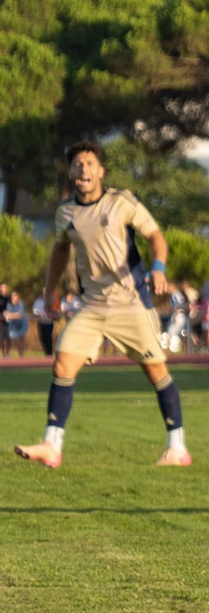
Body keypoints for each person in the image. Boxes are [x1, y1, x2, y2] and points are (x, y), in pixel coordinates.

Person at [14, 141, 190, 468]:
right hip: (92, 305)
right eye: (77, 163)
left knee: (156, 372)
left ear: (100, 171)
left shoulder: (120, 202)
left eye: (89, 163)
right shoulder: (65, 212)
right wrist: (50, 290)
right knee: (63, 364)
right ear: (70, 172)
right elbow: (60, 251)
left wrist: (159, 268)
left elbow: (155, 236)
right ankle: (52, 445)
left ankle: (177, 448)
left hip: (132, 303)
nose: (83, 168)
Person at [4, 287, 26, 357]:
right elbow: (6, 315)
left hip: (20, 324)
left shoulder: (21, 305)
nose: (13, 299)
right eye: (12, 297)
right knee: (11, 339)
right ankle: (7, 354)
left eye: (15, 297)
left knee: (21, 339)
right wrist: (14, 315)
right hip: (11, 325)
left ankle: (20, 355)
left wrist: (11, 315)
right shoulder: (8, 305)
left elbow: (20, 315)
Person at [32, 292, 53, 356]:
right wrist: (39, 313)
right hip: (41, 321)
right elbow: (35, 310)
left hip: (49, 321)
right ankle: (46, 352)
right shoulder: (37, 301)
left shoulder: (50, 300)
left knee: (48, 337)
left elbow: (54, 308)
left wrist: (49, 314)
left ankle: (49, 352)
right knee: (42, 337)